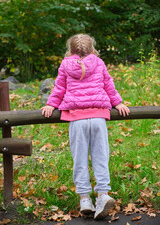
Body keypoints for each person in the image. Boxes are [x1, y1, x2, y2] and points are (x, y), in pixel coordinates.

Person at [41, 34, 130, 220]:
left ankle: (84, 199)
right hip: (98, 117)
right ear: (92, 49)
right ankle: (103, 195)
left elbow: (59, 88)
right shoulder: (98, 63)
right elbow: (108, 84)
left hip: (77, 118)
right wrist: (118, 103)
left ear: (71, 50)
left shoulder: (65, 65)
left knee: (79, 158)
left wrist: (51, 104)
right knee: (101, 156)